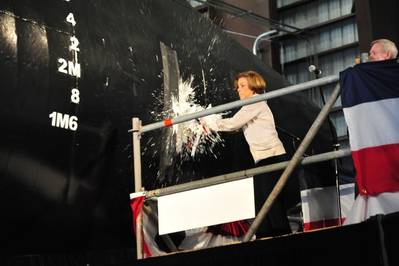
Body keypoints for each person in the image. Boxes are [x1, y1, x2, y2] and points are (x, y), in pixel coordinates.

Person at [206, 70, 291, 238]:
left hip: (271, 156)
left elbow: (232, 124)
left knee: (269, 198)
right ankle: (265, 233)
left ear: (254, 87)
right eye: (238, 86)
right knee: (261, 198)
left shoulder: (255, 102)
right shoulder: (251, 105)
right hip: (263, 157)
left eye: (243, 86)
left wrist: (208, 122)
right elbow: (235, 127)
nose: (239, 89)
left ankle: (281, 233)